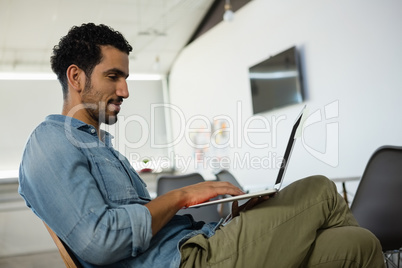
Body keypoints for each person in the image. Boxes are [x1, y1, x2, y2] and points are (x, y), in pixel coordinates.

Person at [18, 23, 385, 268]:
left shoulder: (100, 146)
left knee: (359, 244)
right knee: (320, 190)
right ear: (76, 77)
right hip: (188, 261)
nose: (125, 91)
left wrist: (229, 213)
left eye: (126, 78)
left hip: (199, 243)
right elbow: (101, 241)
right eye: (113, 77)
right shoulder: (48, 144)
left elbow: (145, 224)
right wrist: (184, 195)